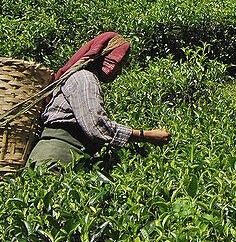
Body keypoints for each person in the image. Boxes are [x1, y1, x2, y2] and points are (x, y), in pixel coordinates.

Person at [27, 32, 170, 167]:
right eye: (118, 64)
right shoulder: (84, 78)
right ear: (104, 58)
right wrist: (146, 135)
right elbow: (97, 127)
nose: (119, 71)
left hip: (59, 156)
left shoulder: (82, 78)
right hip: (57, 156)